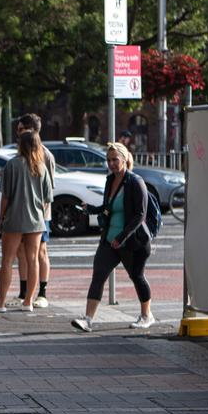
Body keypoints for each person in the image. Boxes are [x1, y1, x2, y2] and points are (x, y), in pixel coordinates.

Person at [71, 142, 156, 332]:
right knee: (98, 275)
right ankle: (88, 320)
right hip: (110, 239)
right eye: (108, 160)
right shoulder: (110, 180)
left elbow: (139, 215)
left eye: (115, 160)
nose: (111, 163)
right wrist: (91, 209)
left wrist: (123, 236)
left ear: (125, 159)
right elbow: (109, 207)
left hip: (133, 241)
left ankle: (146, 315)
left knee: (137, 276)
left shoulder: (135, 182)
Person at [0, 130, 51, 313]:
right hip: (36, 221)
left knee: (7, 261)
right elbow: (47, 199)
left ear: (21, 144)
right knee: (33, 260)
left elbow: (5, 196)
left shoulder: (12, 165)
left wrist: (1, 217)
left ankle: (0, 303)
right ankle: (28, 301)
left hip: (14, 218)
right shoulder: (42, 167)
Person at [13, 114, 54, 308]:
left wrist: (42, 213)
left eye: (21, 130)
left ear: (31, 131)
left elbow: (48, 190)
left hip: (40, 213)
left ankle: (42, 292)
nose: (18, 133)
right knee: (21, 252)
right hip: (22, 212)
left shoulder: (45, 155)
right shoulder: (20, 153)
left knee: (40, 252)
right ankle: (23, 291)